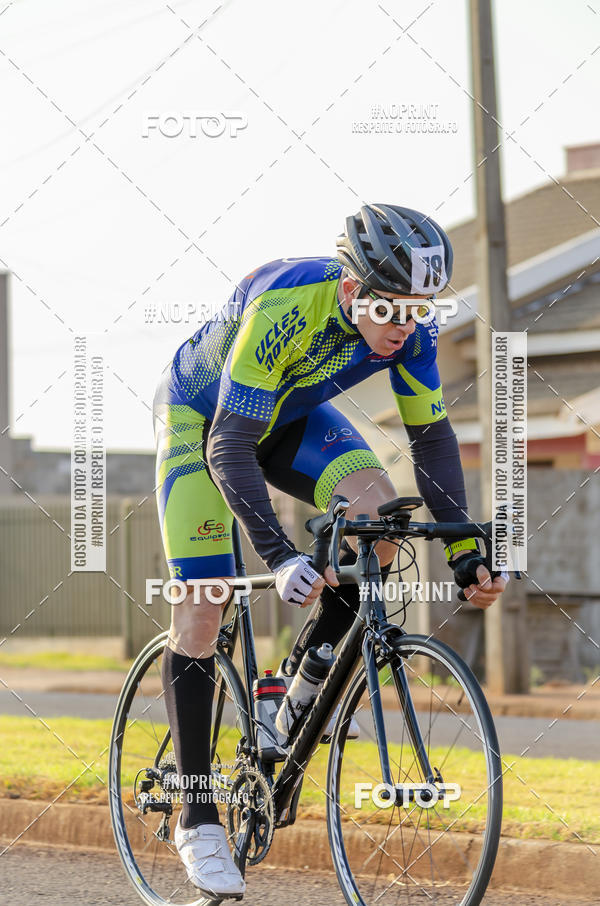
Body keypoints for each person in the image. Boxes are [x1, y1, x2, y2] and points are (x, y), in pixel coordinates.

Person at [153, 203, 506, 898]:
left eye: (418, 310)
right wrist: (281, 554)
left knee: (376, 520)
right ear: (351, 292)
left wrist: (466, 549)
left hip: (290, 416)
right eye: (389, 310)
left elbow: (431, 441)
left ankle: (300, 681)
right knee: (203, 603)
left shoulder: (410, 333)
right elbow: (229, 445)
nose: (403, 326)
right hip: (207, 422)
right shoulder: (285, 304)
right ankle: (197, 818)